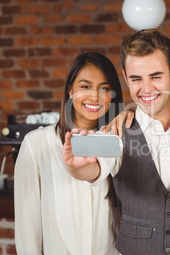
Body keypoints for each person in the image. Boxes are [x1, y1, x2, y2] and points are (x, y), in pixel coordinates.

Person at [62, 29, 170, 255]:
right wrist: (75, 168)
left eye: (156, 77)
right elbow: (94, 170)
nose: (146, 89)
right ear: (125, 79)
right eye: (136, 79)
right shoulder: (115, 132)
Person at [14, 52, 123, 254]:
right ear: (70, 90)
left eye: (105, 88)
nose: (95, 96)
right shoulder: (36, 145)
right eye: (85, 86)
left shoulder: (120, 142)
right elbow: (27, 228)